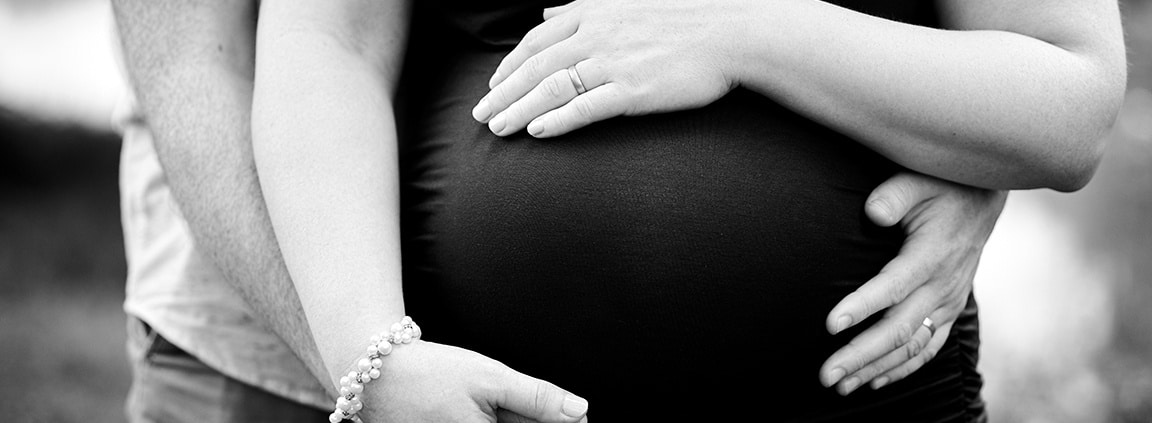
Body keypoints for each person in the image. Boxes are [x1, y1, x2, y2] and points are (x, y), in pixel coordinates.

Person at [104, 1, 1103, 423]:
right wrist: (367, 361)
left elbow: (1061, 91)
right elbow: (244, 56)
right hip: (436, 379)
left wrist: (749, 36)